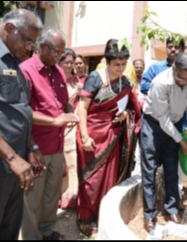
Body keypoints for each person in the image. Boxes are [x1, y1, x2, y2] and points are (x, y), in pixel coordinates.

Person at [0, 9, 43, 240]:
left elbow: (21, 110)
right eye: (28, 39)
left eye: (33, 42)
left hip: (16, 167)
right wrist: (11, 158)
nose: (30, 47)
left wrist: (31, 148)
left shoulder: (14, 62)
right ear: (9, 28)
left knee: (8, 230)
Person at [76, 38, 141, 237]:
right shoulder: (95, 78)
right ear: (107, 61)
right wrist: (85, 136)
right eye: (116, 64)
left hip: (113, 136)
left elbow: (132, 109)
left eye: (123, 64)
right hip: (93, 135)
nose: (120, 68)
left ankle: (102, 216)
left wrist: (125, 115)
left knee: (109, 178)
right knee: (91, 180)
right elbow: (82, 108)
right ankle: (86, 219)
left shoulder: (126, 82)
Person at [20, 26, 79, 240]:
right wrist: (53, 122)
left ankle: (46, 232)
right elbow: (22, 112)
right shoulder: (26, 70)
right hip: (36, 147)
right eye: (55, 52)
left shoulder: (59, 71)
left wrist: (71, 114)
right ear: (42, 46)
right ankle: (31, 236)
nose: (59, 57)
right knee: (32, 199)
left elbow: (65, 103)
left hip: (58, 144)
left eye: (61, 53)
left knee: (51, 195)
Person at [141, 52, 187, 232]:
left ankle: (172, 209)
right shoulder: (160, 82)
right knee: (149, 171)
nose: (183, 82)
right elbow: (163, 118)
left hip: (172, 126)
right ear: (173, 68)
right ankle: (149, 215)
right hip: (153, 125)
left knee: (172, 169)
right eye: (180, 78)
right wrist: (181, 140)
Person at [58, 48, 83, 210]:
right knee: (58, 163)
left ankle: (71, 195)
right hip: (55, 125)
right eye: (65, 61)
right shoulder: (52, 79)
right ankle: (56, 196)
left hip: (72, 127)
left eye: (71, 62)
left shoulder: (78, 84)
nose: (69, 65)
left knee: (72, 160)